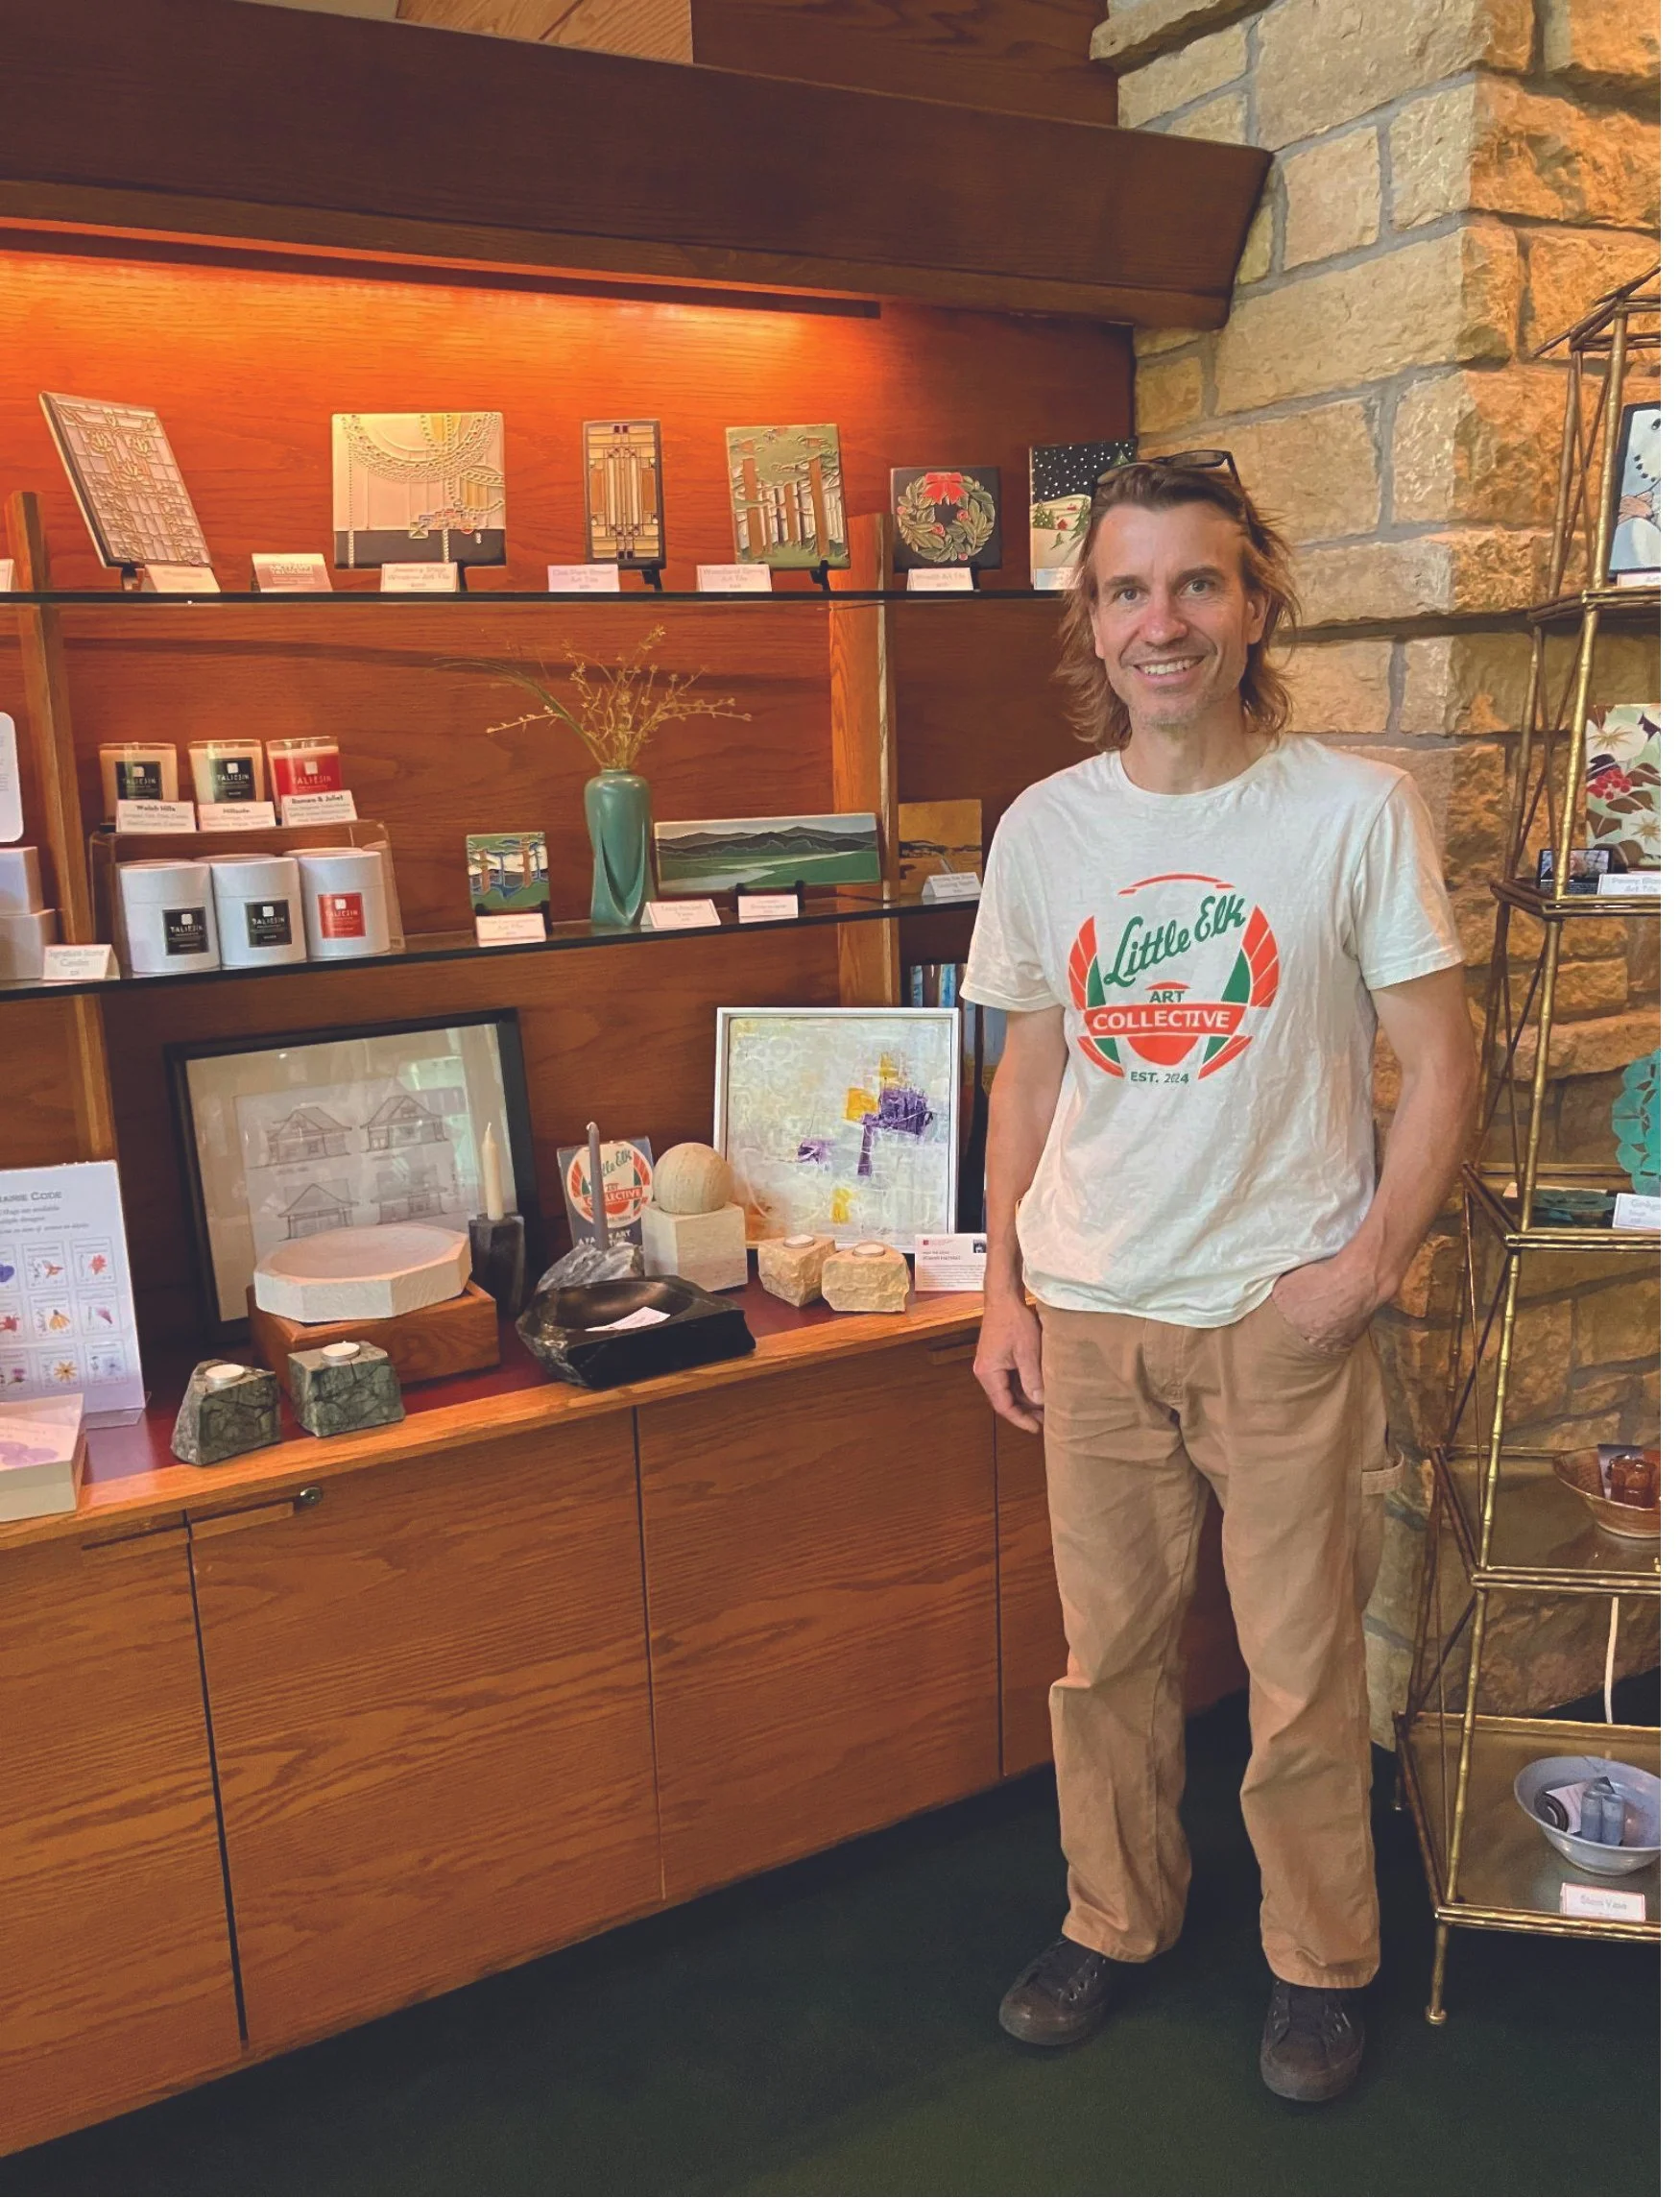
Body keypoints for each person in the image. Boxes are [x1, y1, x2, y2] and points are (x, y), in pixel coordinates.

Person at [961, 453, 1476, 2103]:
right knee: (1101, 1659)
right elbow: (1029, 1075)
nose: (1159, 621)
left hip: (1279, 1316)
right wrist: (1003, 1288)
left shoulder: (1348, 808)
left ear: (1254, 603)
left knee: (1304, 1663)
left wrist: (1362, 1271)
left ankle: (1319, 1958)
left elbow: (1441, 1062)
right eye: (1126, 590)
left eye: (1195, 584)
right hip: (1095, 1310)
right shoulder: (1047, 827)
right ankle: (1113, 1917)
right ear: (1091, 622)